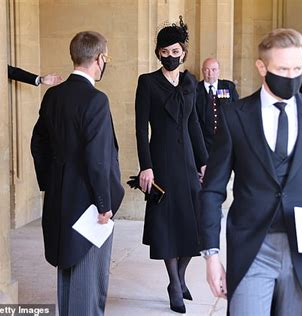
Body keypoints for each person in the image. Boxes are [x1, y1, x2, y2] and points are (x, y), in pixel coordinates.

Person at [199, 28, 302, 316]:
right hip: (251, 248)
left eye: (297, 68)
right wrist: (211, 255)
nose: (292, 76)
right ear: (262, 67)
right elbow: (212, 189)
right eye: (283, 69)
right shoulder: (235, 116)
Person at [31, 31, 124, 315]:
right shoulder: (96, 100)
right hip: (89, 205)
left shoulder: (53, 96)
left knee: (67, 275)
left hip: (60, 198)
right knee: (89, 282)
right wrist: (105, 204)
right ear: (99, 59)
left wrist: (51, 183)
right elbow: (98, 159)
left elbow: (39, 144)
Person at [135, 16, 208, 314]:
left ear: (184, 52)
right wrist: (146, 166)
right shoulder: (147, 82)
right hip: (161, 162)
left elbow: (194, 124)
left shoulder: (191, 83)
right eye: (164, 52)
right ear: (158, 53)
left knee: (193, 221)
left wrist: (204, 162)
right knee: (166, 223)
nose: (170, 57)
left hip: (188, 161)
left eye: (175, 51)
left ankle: (180, 277)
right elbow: (141, 129)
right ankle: (174, 284)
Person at [196, 57, 239, 153]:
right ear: (202, 71)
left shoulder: (228, 87)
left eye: (213, 70)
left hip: (225, 142)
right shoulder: (195, 89)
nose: (210, 73)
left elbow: (237, 111)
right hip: (203, 144)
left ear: (219, 71)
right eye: (207, 70)